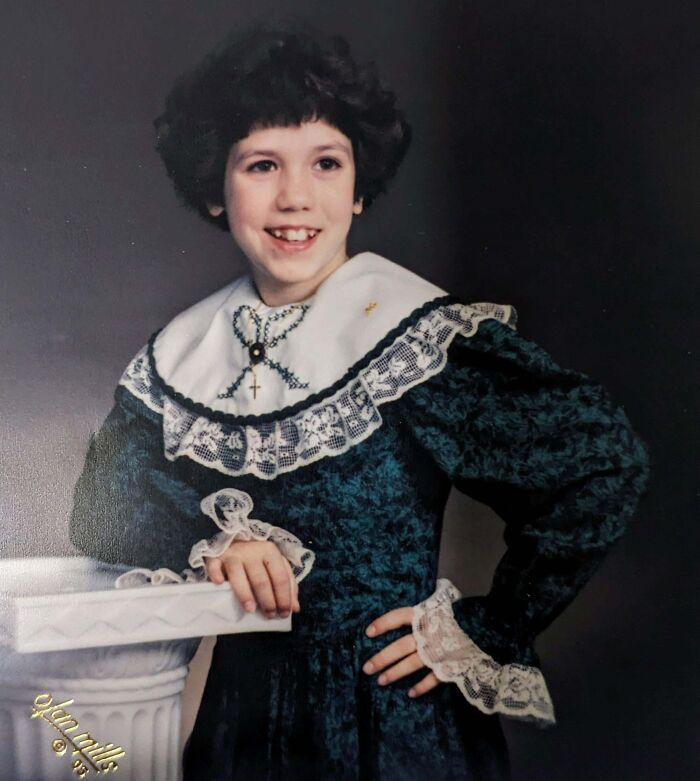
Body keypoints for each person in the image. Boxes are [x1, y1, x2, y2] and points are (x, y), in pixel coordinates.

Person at [69, 20, 651, 781]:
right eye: (263, 164)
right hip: (240, 737)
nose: (295, 196)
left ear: (358, 183)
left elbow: (603, 462)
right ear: (217, 187)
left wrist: (485, 625)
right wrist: (212, 546)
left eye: (326, 162)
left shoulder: (413, 337)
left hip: (392, 730)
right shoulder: (181, 353)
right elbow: (99, 508)